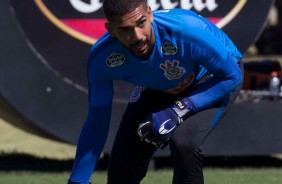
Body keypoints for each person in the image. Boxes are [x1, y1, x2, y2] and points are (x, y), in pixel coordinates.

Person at [68, 0, 244, 183]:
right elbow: (97, 122)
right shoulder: (101, 58)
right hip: (161, 85)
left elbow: (232, 76)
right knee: (122, 169)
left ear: (150, 13)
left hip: (213, 78)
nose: (137, 36)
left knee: (184, 143)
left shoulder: (186, 31)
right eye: (124, 30)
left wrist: (178, 110)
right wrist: (78, 179)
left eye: (141, 23)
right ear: (110, 29)